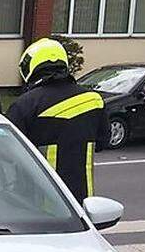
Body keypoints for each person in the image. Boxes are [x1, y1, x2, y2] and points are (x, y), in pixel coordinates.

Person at [7, 38, 105, 202]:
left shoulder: (25, 104)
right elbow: (103, 142)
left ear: (32, 67)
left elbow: (8, 151)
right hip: (81, 201)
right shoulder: (94, 100)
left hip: (37, 201)